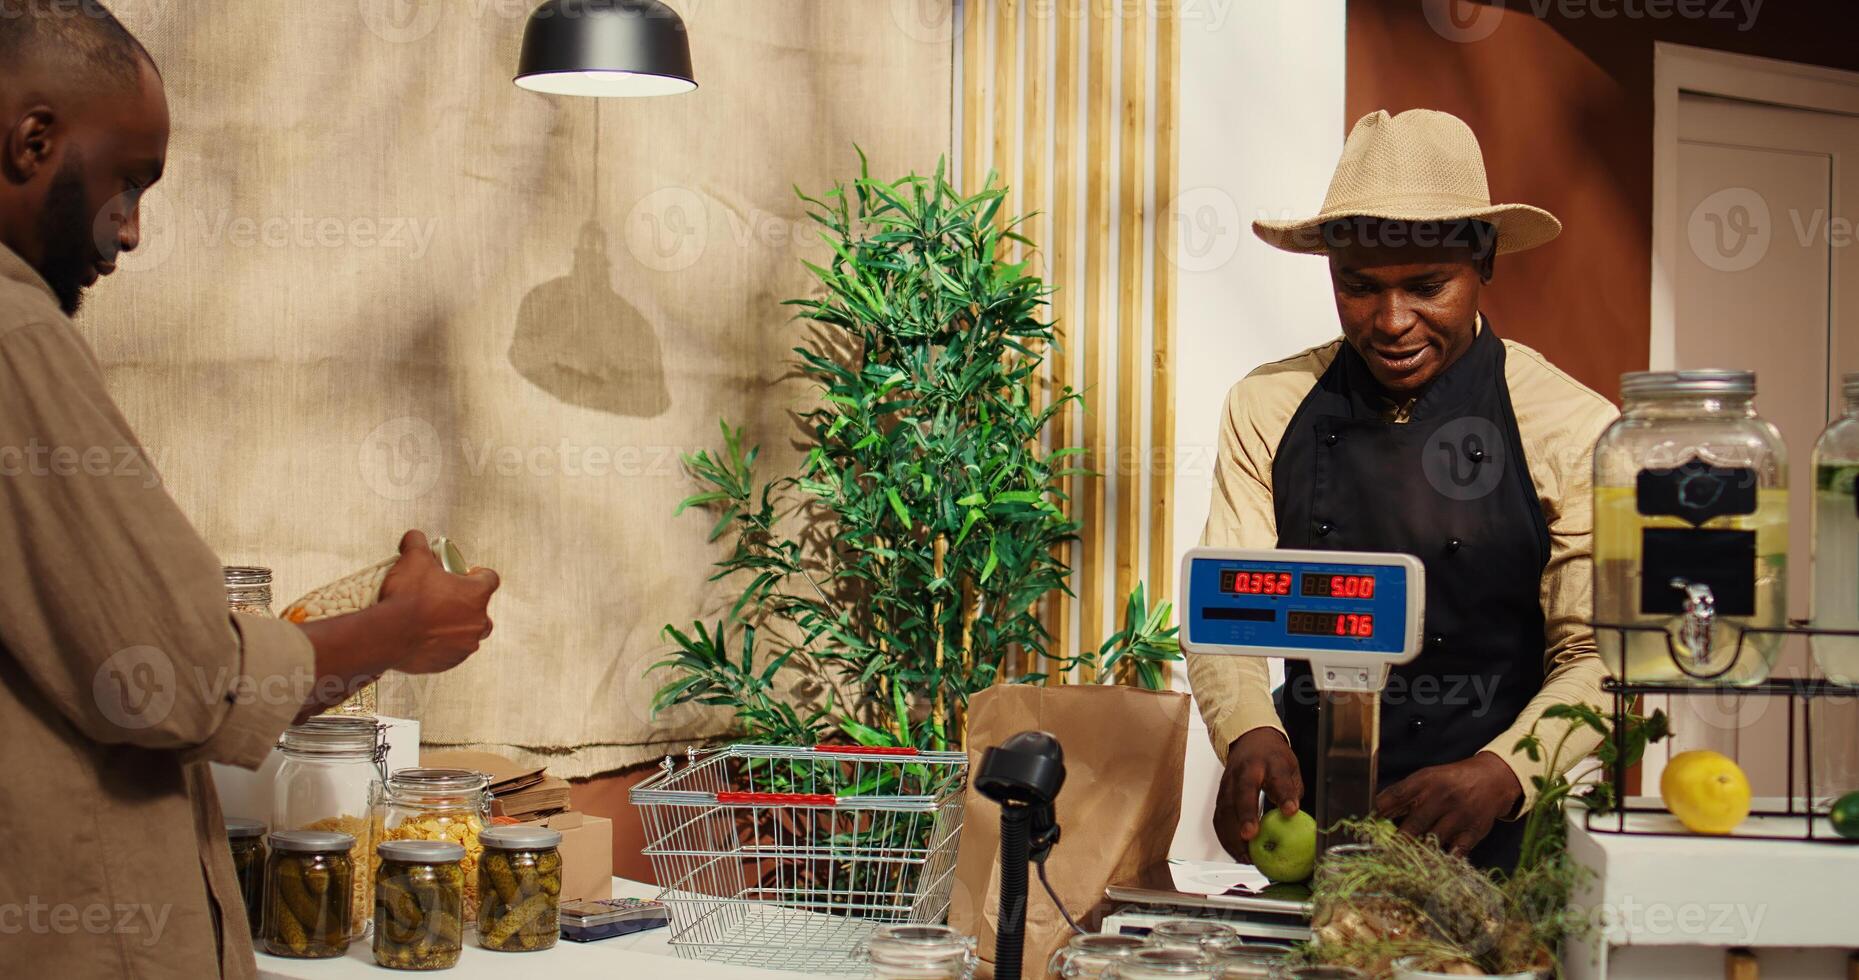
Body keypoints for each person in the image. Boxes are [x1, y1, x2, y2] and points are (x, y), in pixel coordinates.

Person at [0, 3, 500, 976]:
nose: (132, 230)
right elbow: (169, 675)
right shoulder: (16, 338)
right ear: (33, 141)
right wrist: (395, 632)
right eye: (127, 183)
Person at [1188, 108, 1616, 871]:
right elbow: (1228, 614)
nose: (1390, 321)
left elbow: (1597, 654)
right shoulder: (1268, 405)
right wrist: (1249, 730)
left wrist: (1504, 772)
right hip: (1314, 835)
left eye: (1426, 286)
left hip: (1503, 839)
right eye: (1357, 287)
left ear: (1483, 260)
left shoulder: (1573, 426)